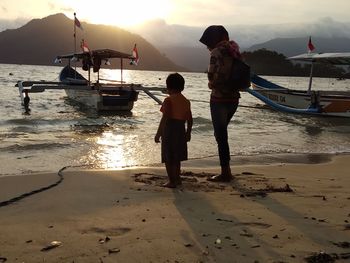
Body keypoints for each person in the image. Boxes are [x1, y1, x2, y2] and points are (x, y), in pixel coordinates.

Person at [199, 25, 242, 182]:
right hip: (234, 98)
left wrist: (211, 83)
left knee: (221, 136)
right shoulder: (235, 49)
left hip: (219, 98)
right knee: (222, 134)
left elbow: (211, 75)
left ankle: (226, 172)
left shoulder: (216, 52)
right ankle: (226, 170)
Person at [155, 73, 193, 188]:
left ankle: (172, 180)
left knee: (168, 157)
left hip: (170, 130)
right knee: (177, 157)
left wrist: (158, 133)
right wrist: (188, 133)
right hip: (181, 130)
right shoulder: (186, 101)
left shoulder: (168, 100)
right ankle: (177, 178)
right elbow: (190, 120)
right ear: (182, 87)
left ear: (168, 87)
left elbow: (165, 118)